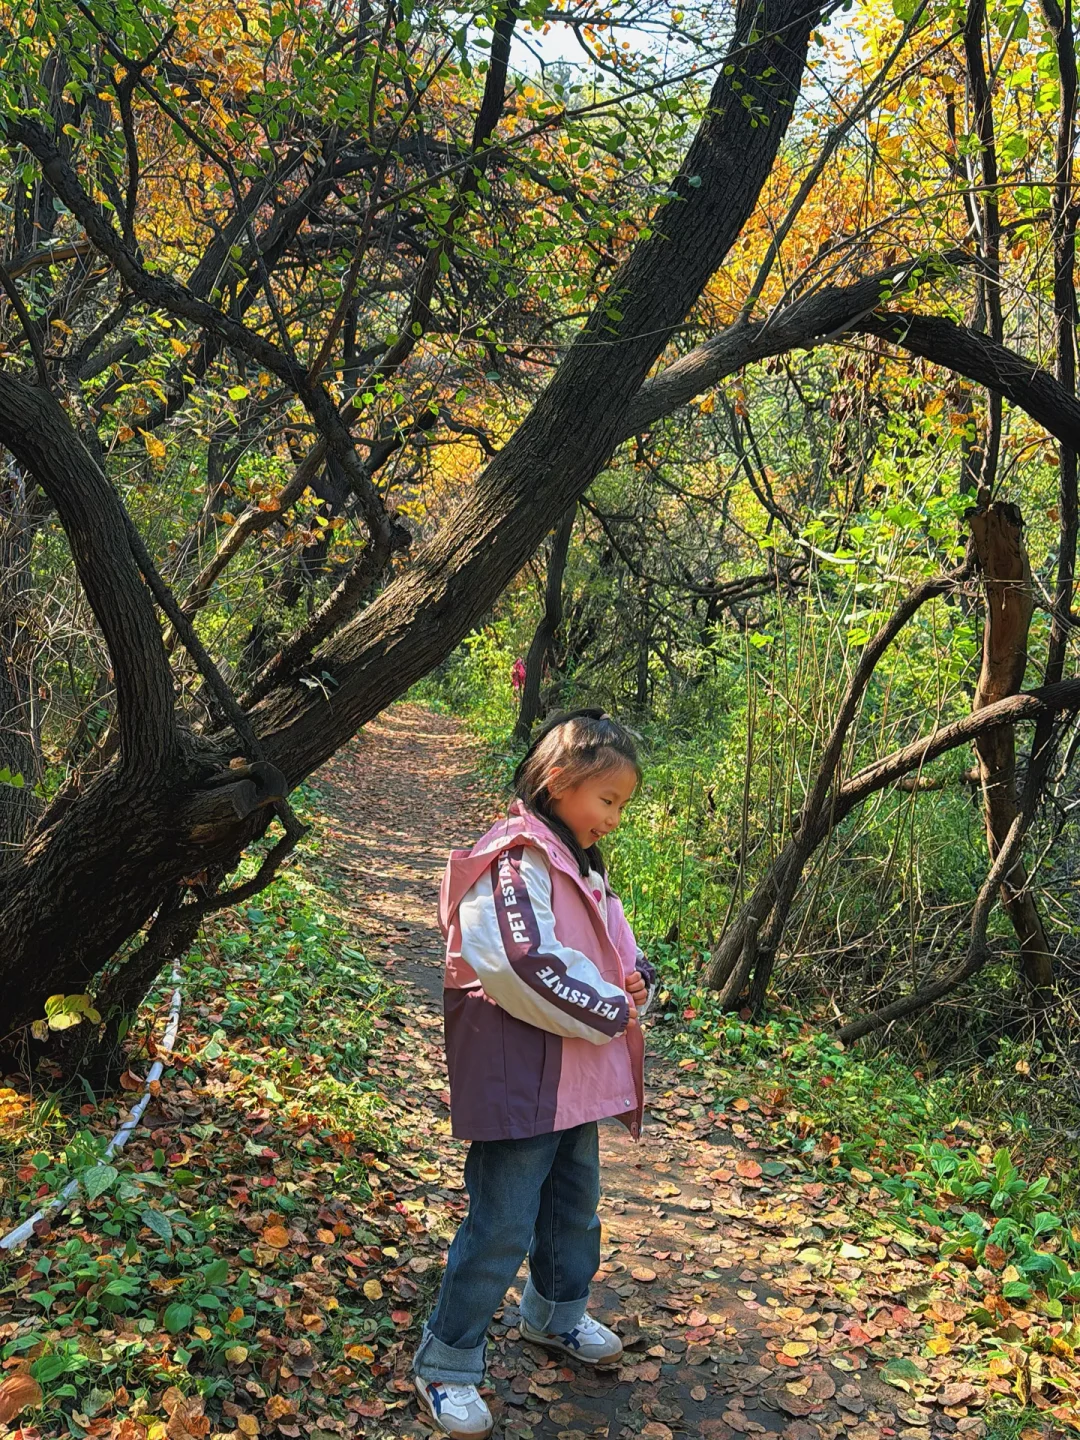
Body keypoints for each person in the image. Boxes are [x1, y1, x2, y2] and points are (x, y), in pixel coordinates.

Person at [413, 708, 657, 1439]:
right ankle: (446, 1361)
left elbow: (615, 940)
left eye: (623, 805)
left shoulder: (577, 861)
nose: (614, 818)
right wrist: (615, 1007)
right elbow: (520, 962)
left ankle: (556, 1315)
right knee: (503, 1220)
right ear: (559, 782)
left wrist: (637, 976)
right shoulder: (514, 857)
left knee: (573, 1206)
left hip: (572, 1075)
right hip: (525, 1077)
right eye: (607, 800)